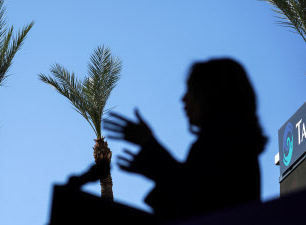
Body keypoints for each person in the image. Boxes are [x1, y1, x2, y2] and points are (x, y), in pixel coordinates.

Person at [103, 58, 267, 222]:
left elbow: (194, 195)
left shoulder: (226, 146)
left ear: (210, 95)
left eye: (191, 90)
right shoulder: (235, 146)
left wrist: (150, 150)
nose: (184, 99)